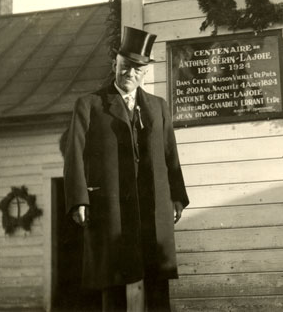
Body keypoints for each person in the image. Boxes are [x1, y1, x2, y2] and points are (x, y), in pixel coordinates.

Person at [63, 26, 190, 312]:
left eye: (136, 69)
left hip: (151, 207)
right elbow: (74, 156)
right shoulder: (90, 105)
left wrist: (177, 196)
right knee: (114, 280)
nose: (129, 74)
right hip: (112, 208)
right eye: (124, 67)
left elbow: (171, 155)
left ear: (144, 73)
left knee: (157, 278)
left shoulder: (158, 108)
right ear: (114, 65)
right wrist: (79, 200)